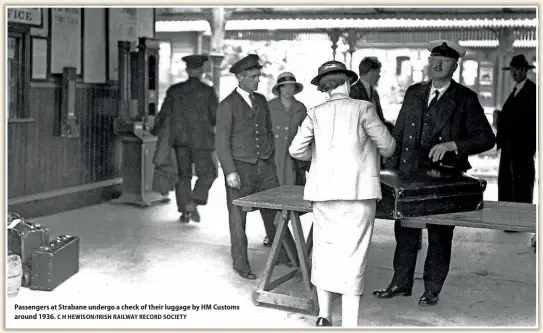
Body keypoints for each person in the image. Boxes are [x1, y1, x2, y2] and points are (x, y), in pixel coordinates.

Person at [372, 40, 495, 306]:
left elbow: (486, 139)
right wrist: (388, 167)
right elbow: (400, 133)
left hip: (443, 178)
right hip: (408, 173)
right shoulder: (414, 92)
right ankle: (400, 283)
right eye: (434, 58)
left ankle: (432, 289)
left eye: (445, 60)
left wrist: (455, 145)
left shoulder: (465, 98)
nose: (437, 64)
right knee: (405, 231)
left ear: (454, 65)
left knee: (440, 234)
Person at [289, 60, 396, 327]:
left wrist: (320, 158)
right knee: (353, 257)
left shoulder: (314, 113)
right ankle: (350, 323)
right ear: (348, 83)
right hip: (359, 194)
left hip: (324, 194)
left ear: (324, 89)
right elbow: (388, 147)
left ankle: (324, 316)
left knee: (325, 252)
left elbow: (296, 150)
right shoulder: (363, 108)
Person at [215, 54, 296, 280]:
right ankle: (241, 264)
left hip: (265, 167)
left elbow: (268, 132)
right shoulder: (227, 105)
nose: (257, 80)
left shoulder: (260, 100)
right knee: (238, 219)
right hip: (240, 169)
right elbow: (221, 142)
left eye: (258, 76)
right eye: (252, 77)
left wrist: (269, 159)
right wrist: (230, 171)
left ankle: (284, 254)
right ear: (240, 78)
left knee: (276, 211)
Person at [159, 54, 219, 223]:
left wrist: (155, 129)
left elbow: (164, 114)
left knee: (183, 176)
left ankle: (185, 211)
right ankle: (194, 200)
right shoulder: (208, 91)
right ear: (201, 71)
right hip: (202, 141)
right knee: (208, 173)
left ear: (187, 70)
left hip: (180, 140)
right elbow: (216, 117)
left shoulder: (174, 90)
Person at [264, 72, 309, 247]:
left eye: (292, 86)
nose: (288, 89)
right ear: (279, 88)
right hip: (272, 155)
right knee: (271, 194)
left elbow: (307, 132)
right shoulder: (268, 106)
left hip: (290, 158)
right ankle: (273, 233)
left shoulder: (300, 107)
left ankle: (279, 234)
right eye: (285, 86)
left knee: (287, 195)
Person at [496, 54, 537, 233]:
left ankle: (519, 222)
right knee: (508, 184)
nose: (515, 73)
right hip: (509, 148)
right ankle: (508, 221)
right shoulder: (516, 91)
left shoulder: (533, 91)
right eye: (513, 69)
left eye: (519, 69)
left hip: (522, 149)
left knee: (521, 185)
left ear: (525, 71)